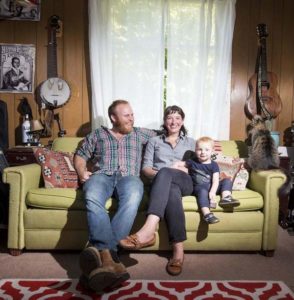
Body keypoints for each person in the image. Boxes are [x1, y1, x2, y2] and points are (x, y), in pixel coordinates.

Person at [74, 99, 156, 293]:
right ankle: (111, 260)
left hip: (129, 177)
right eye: (127, 115)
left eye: (132, 114)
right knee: (92, 196)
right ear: (114, 117)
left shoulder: (141, 133)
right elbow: (80, 155)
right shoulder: (97, 135)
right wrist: (81, 172)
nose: (131, 118)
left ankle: (102, 254)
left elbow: (170, 134)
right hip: (102, 175)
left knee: (134, 195)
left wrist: (203, 148)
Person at [119, 105, 195, 276]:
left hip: (186, 182)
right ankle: (178, 252)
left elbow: (199, 168)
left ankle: (148, 230)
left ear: (182, 121)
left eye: (177, 118)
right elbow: (146, 169)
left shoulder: (192, 142)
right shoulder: (154, 141)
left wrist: (175, 169)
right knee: (171, 190)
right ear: (164, 121)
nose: (173, 121)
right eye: (169, 117)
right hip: (162, 184)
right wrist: (163, 173)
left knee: (167, 173)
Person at [177, 136, 240, 224]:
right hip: (199, 188)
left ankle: (226, 197)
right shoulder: (192, 162)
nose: (203, 152)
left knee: (227, 180)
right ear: (195, 150)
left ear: (212, 151)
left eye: (207, 150)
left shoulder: (214, 165)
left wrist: (213, 192)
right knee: (203, 192)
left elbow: (215, 180)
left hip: (212, 186)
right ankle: (207, 214)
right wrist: (174, 167)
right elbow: (179, 164)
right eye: (199, 149)